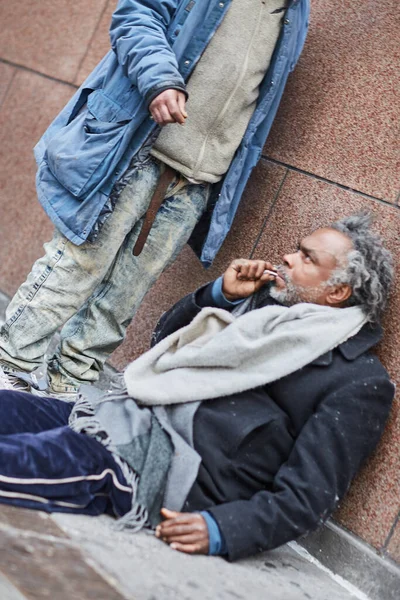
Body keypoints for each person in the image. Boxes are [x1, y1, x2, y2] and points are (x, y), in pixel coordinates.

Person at [0, 214, 394, 560]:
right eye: (297, 249)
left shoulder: (358, 382)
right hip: (114, 414)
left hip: (152, 468)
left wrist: (224, 529)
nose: (289, 258)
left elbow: (310, 496)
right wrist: (219, 295)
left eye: (308, 258)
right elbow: (161, 348)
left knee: (20, 460)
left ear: (338, 291)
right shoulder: (267, 312)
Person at [0, 0, 310, 400]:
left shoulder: (297, 12)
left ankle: (69, 387)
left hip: (199, 178)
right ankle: (10, 363)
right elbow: (135, 15)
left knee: (124, 295)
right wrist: (160, 80)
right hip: (137, 148)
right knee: (78, 265)